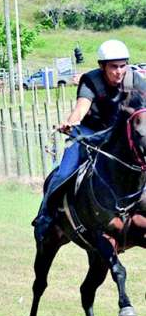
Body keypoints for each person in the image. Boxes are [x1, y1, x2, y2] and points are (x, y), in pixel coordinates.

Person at [33, 39, 146, 242]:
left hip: (118, 135)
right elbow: (81, 107)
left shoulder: (135, 80)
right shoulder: (91, 80)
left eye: (123, 66)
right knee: (64, 171)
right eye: (113, 67)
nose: (119, 72)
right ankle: (45, 216)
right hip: (89, 132)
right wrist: (71, 123)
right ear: (101, 66)